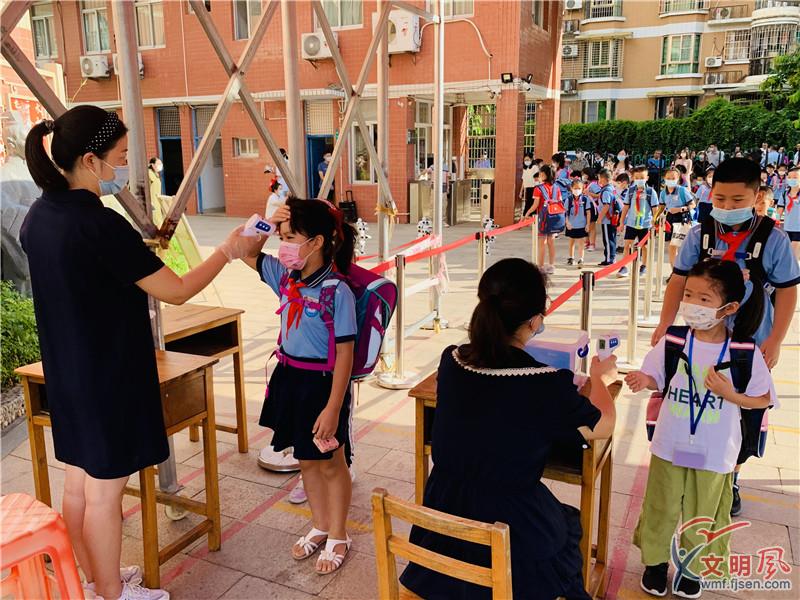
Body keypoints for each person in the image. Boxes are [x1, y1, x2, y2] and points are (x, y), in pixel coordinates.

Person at [20, 107, 256, 600]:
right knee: (105, 492)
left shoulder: (39, 216)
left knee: (79, 484)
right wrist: (227, 251)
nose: (126, 166)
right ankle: (112, 593)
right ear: (91, 160)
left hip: (67, 372)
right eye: (122, 156)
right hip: (109, 375)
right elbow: (176, 290)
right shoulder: (100, 224)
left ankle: (91, 580)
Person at [399, 258, 618, 600]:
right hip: (509, 526)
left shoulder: (452, 359)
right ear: (535, 321)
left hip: (441, 523)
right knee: (567, 524)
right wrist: (600, 379)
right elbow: (603, 425)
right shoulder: (545, 383)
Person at [651, 157, 799, 516]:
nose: (727, 207)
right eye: (719, 199)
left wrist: (775, 340)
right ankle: (691, 463)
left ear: (756, 196)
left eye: (737, 200)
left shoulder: (773, 239)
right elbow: (678, 280)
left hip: (749, 341)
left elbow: (787, 290)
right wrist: (665, 323)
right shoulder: (701, 234)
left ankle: (731, 474)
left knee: (743, 407)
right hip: (701, 340)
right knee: (698, 401)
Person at [627, 259, 773, 598]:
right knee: (661, 504)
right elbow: (657, 378)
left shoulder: (743, 351)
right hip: (670, 443)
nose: (692, 304)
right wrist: (644, 380)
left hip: (715, 449)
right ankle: (655, 563)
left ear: (729, 307)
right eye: (688, 295)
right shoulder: (674, 341)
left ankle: (691, 567)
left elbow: (763, 398)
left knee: (703, 511)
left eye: (704, 299)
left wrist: (730, 394)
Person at [244, 198, 357, 575]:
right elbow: (246, 251)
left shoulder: (337, 291)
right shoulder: (285, 277)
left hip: (322, 386)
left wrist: (333, 407)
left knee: (331, 462)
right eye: (283, 237)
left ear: (318, 242)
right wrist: (267, 222)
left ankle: (339, 534)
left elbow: (345, 354)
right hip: (289, 378)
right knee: (306, 460)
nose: (284, 246)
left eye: (291, 237)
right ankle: (320, 525)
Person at [618, 166, 661, 277]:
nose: (639, 180)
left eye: (642, 177)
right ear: (633, 178)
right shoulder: (631, 191)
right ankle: (624, 266)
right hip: (631, 223)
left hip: (646, 224)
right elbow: (625, 207)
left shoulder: (651, 192)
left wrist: (655, 224)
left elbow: (655, 209)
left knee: (645, 246)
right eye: (637, 177)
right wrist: (621, 222)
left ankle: (644, 266)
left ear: (647, 178)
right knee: (627, 245)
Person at [526, 165, 565, 274]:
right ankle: (551, 265)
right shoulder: (557, 188)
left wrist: (527, 213)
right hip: (555, 218)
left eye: (540, 174)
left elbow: (535, 205)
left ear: (544, 175)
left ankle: (541, 266)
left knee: (542, 243)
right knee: (551, 242)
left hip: (544, 218)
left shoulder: (538, 188)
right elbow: (560, 202)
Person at [659, 168, 695, 268]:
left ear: (678, 178)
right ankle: (674, 270)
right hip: (669, 219)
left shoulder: (682, 190)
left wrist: (680, 209)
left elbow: (693, 204)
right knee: (671, 247)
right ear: (664, 178)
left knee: (680, 246)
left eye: (673, 178)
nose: (670, 180)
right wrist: (656, 218)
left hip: (681, 219)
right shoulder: (663, 193)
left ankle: (683, 268)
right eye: (668, 178)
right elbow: (661, 207)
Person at [565, 178, 591, 268]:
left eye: (579, 188)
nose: (577, 190)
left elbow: (588, 213)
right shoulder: (568, 200)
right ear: (571, 188)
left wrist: (588, 224)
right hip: (571, 225)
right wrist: (567, 222)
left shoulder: (585, 199)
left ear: (582, 189)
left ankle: (581, 259)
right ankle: (571, 257)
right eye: (575, 188)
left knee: (581, 242)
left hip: (581, 225)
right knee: (571, 242)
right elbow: (565, 213)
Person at [596, 168, 619, 266]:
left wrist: (599, 218)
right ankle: (610, 257)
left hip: (607, 219)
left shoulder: (606, 191)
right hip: (612, 219)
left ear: (603, 178)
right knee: (611, 238)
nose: (599, 180)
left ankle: (609, 259)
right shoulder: (612, 188)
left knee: (608, 240)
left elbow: (606, 206)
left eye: (599, 178)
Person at [776, 167, 799, 259]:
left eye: (795, 177)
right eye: (789, 177)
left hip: (798, 229)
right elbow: (780, 209)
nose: (792, 179)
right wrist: (777, 222)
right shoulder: (784, 194)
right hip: (787, 228)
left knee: (793, 256)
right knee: (787, 254)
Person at [583, 167, 600, 251]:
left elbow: (599, 195)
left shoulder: (593, 185)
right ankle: (587, 242)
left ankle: (592, 244)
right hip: (586, 206)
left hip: (592, 207)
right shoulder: (587, 184)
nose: (583, 176)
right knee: (586, 225)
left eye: (584, 174)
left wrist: (588, 193)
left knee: (592, 226)